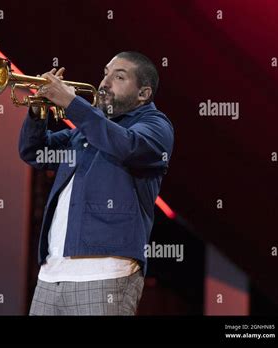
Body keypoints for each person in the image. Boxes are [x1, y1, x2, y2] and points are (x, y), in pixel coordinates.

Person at [19, 51, 174, 315]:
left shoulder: (155, 125)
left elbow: (126, 146)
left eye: (119, 76)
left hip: (106, 272)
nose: (105, 82)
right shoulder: (84, 132)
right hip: (51, 273)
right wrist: (37, 110)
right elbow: (34, 151)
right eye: (105, 73)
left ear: (143, 94)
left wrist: (72, 103)